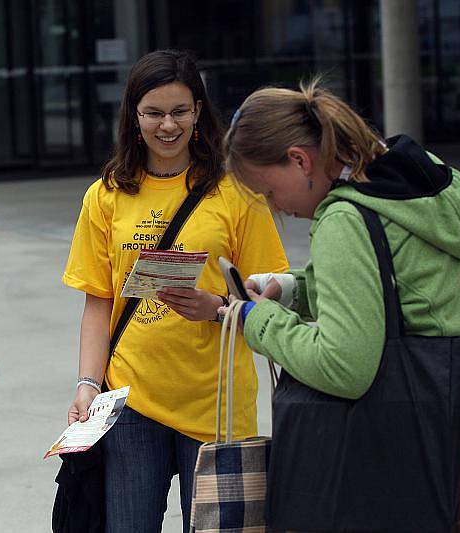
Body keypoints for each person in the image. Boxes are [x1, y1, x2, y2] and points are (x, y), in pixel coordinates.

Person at [222, 78, 460, 533]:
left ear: (300, 160)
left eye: (268, 192)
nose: (275, 207)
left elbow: (344, 366)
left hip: (421, 439)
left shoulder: (345, 218)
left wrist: (256, 320)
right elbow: (399, 282)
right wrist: (291, 288)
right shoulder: (426, 177)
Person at [62, 49, 288, 532]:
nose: (168, 126)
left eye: (180, 111)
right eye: (154, 113)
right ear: (133, 117)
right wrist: (86, 384)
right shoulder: (105, 194)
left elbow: (270, 290)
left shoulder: (235, 191)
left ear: (199, 112)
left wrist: (217, 308)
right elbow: (98, 304)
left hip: (218, 399)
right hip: (130, 400)